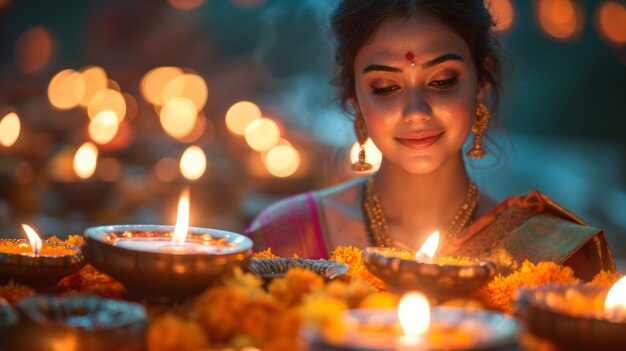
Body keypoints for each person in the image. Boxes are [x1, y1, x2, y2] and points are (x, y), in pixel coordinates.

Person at [245, 0, 614, 280]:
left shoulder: (546, 259)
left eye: (442, 81)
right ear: (355, 98)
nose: (416, 111)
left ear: (481, 83)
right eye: (386, 87)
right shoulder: (285, 237)